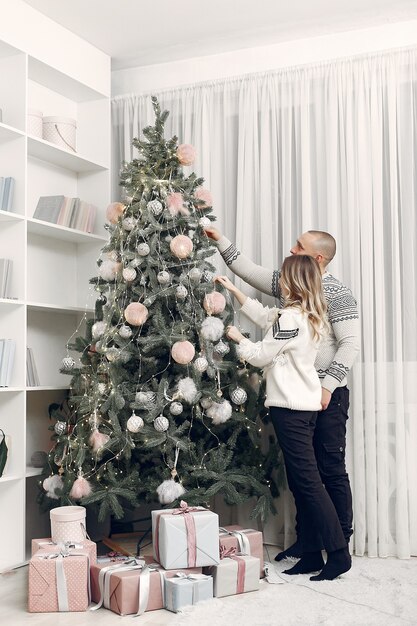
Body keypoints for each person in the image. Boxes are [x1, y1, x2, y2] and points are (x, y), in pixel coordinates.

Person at [206, 227, 360, 561]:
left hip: (326, 395)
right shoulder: (294, 285)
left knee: (328, 468)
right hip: (298, 394)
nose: (290, 250)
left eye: (298, 247)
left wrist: (328, 387)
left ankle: (339, 543)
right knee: (304, 474)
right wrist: (219, 239)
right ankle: (309, 542)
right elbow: (249, 272)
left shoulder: (337, 293)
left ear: (317, 258)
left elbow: (350, 344)